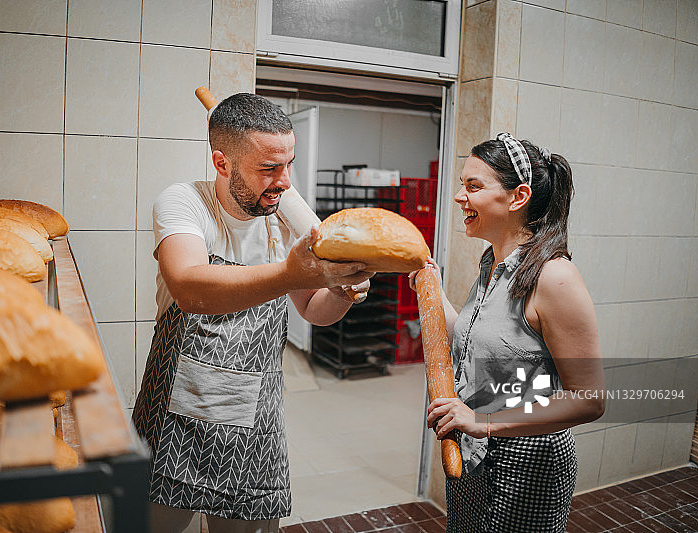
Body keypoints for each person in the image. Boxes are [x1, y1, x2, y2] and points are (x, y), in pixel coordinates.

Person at [132, 93, 373, 533]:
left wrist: (341, 290)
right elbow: (189, 287)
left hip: (255, 423)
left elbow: (313, 311)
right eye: (267, 169)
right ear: (222, 163)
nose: (283, 182)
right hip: (175, 419)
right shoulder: (184, 203)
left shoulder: (280, 219)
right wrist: (288, 271)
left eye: (288, 165)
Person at [410, 133, 605, 532]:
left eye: (474, 186)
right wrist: (428, 288)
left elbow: (590, 400)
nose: (460, 197)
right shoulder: (491, 264)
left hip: (529, 464)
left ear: (517, 197)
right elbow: (469, 340)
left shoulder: (555, 277)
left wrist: (482, 420)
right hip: (476, 456)